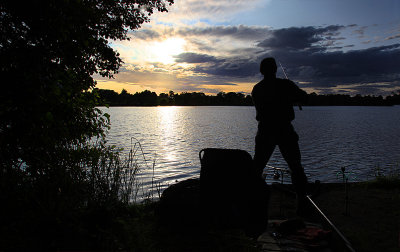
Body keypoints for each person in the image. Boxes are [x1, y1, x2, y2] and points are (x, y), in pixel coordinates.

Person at [252, 57, 309, 213]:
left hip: (265, 131)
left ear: (261, 71)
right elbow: (304, 96)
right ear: (275, 69)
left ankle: (252, 200)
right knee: (296, 167)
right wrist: (292, 97)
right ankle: (302, 201)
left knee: (257, 167)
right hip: (284, 130)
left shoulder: (257, 89)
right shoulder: (286, 85)